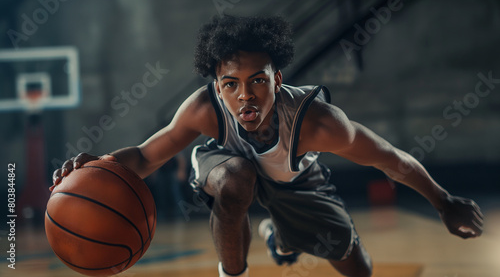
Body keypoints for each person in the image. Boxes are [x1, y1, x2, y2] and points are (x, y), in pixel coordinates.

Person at [51, 15, 484, 277]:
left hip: (297, 181)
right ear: (217, 88)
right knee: (237, 178)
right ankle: (232, 272)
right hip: (229, 170)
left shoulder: (318, 122)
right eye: (231, 84)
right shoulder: (204, 109)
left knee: (359, 269)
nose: (245, 96)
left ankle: (281, 237)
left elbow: (391, 160)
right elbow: (146, 156)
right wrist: (102, 165)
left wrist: (443, 202)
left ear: (277, 79)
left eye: (258, 80)